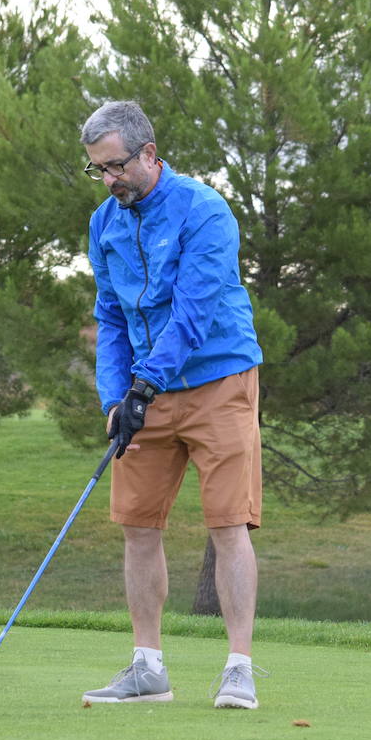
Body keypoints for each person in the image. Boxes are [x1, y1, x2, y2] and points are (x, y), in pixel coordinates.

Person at [79, 100, 266, 709]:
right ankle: (147, 667)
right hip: (143, 392)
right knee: (138, 526)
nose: (109, 181)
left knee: (227, 524)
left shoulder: (205, 211)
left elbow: (193, 312)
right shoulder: (104, 222)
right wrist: (117, 397)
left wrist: (143, 385)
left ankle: (238, 667)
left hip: (219, 379)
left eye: (115, 167)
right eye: (98, 171)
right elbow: (109, 314)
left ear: (149, 155)